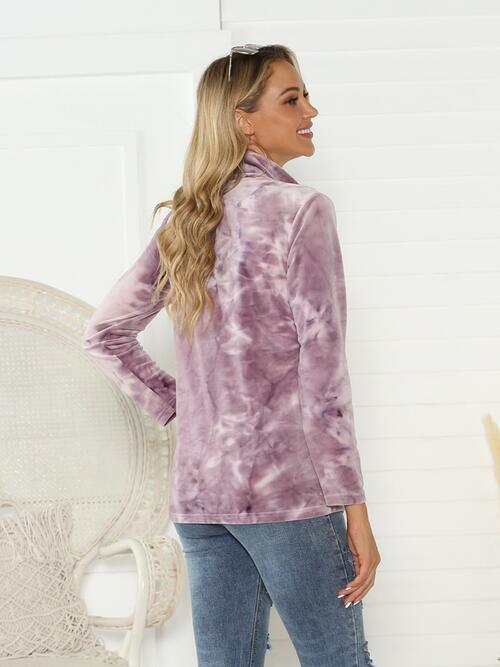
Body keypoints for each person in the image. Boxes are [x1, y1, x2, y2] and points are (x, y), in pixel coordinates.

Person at [81, 43, 381, 667]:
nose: (310, 111)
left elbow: (104, 332)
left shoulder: (190, 219)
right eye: (292, 99)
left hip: (201, 495)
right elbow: (323, 381)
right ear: (243, 119)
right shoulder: (302, 211)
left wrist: (187, 412)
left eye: (305, 96)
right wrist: (355, 509)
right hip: (287, 495)